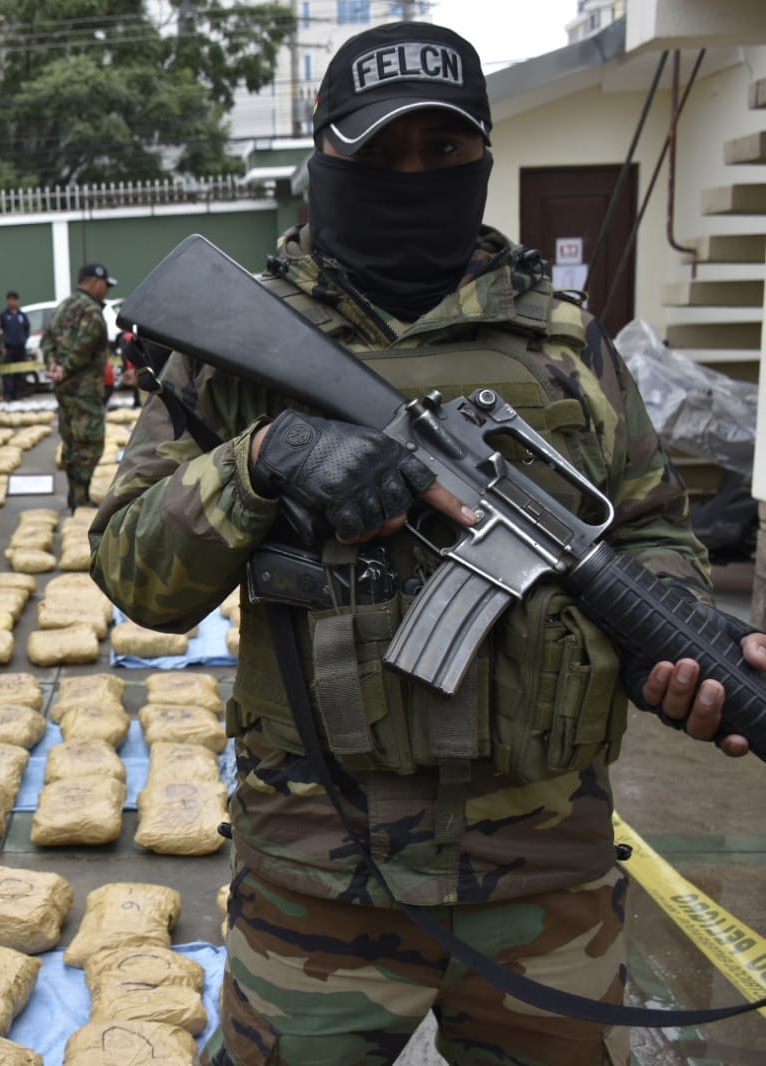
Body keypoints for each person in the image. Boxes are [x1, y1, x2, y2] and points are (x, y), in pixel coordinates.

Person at [89, 21, 766, 1066]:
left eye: (442, 150)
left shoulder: (567, 342)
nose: (413, 173)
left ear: (481, 155)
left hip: (547, 877)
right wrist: (262, 458)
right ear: (324, 156)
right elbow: (134, 569)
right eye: (378, 151)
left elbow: (652, 527)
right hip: (317, 878)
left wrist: (673, 641)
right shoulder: (234, 353)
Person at [47, 263, 115, 510]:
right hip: (84, 390)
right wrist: (67, 367)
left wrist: (54, 366)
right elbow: (85, 345)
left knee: (71, 441)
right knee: (90, 443)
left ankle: (74, 493)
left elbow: (47, 341)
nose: (105, 291)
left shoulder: (63, 307)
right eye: (105, 286)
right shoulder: (91, 311)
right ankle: (81, 496)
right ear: (95, 282)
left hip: (63, 389)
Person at [0, 290, 30, 401]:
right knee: (8, 372)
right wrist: (2, 346)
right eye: (11, 300)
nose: (14, 302)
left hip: (20, 348)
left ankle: (18, 392)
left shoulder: (22, 316)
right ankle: (8, 393)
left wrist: (23, 339)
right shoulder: (3, 316)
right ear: (8, 301)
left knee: (19, 372)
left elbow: (27, 329)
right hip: (8, 348)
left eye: (16, 300)